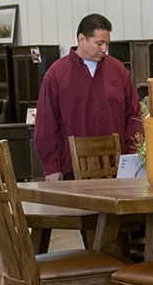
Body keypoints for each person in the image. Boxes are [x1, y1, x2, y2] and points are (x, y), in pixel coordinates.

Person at [34, 13, 143, 181]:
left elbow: (134, 116)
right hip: (71, 171)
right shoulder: (56, 75)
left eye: (107, 43)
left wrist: (133, 158)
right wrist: (51, 167)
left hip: (118, 170)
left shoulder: (118, 71)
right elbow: (45, 125)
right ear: (82, 39)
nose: (104, 49)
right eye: (99, 43)